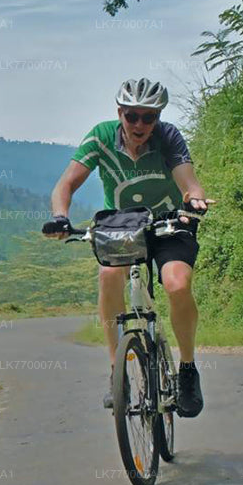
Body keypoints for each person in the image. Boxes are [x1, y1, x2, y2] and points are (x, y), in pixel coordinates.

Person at [43, 78, 212, 417]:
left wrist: (194, 200)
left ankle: (188, 370)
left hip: (169, 222)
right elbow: (67, 183)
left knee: (178, 284)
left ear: (158, 118)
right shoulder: (101, 136)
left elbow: (188, 180)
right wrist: (61, 217)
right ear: (119, 113)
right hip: (123, 224)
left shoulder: (167, 137)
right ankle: (116, 373)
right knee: (108, 275)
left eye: (148, 117)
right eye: (132, 116)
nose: (139, 124)